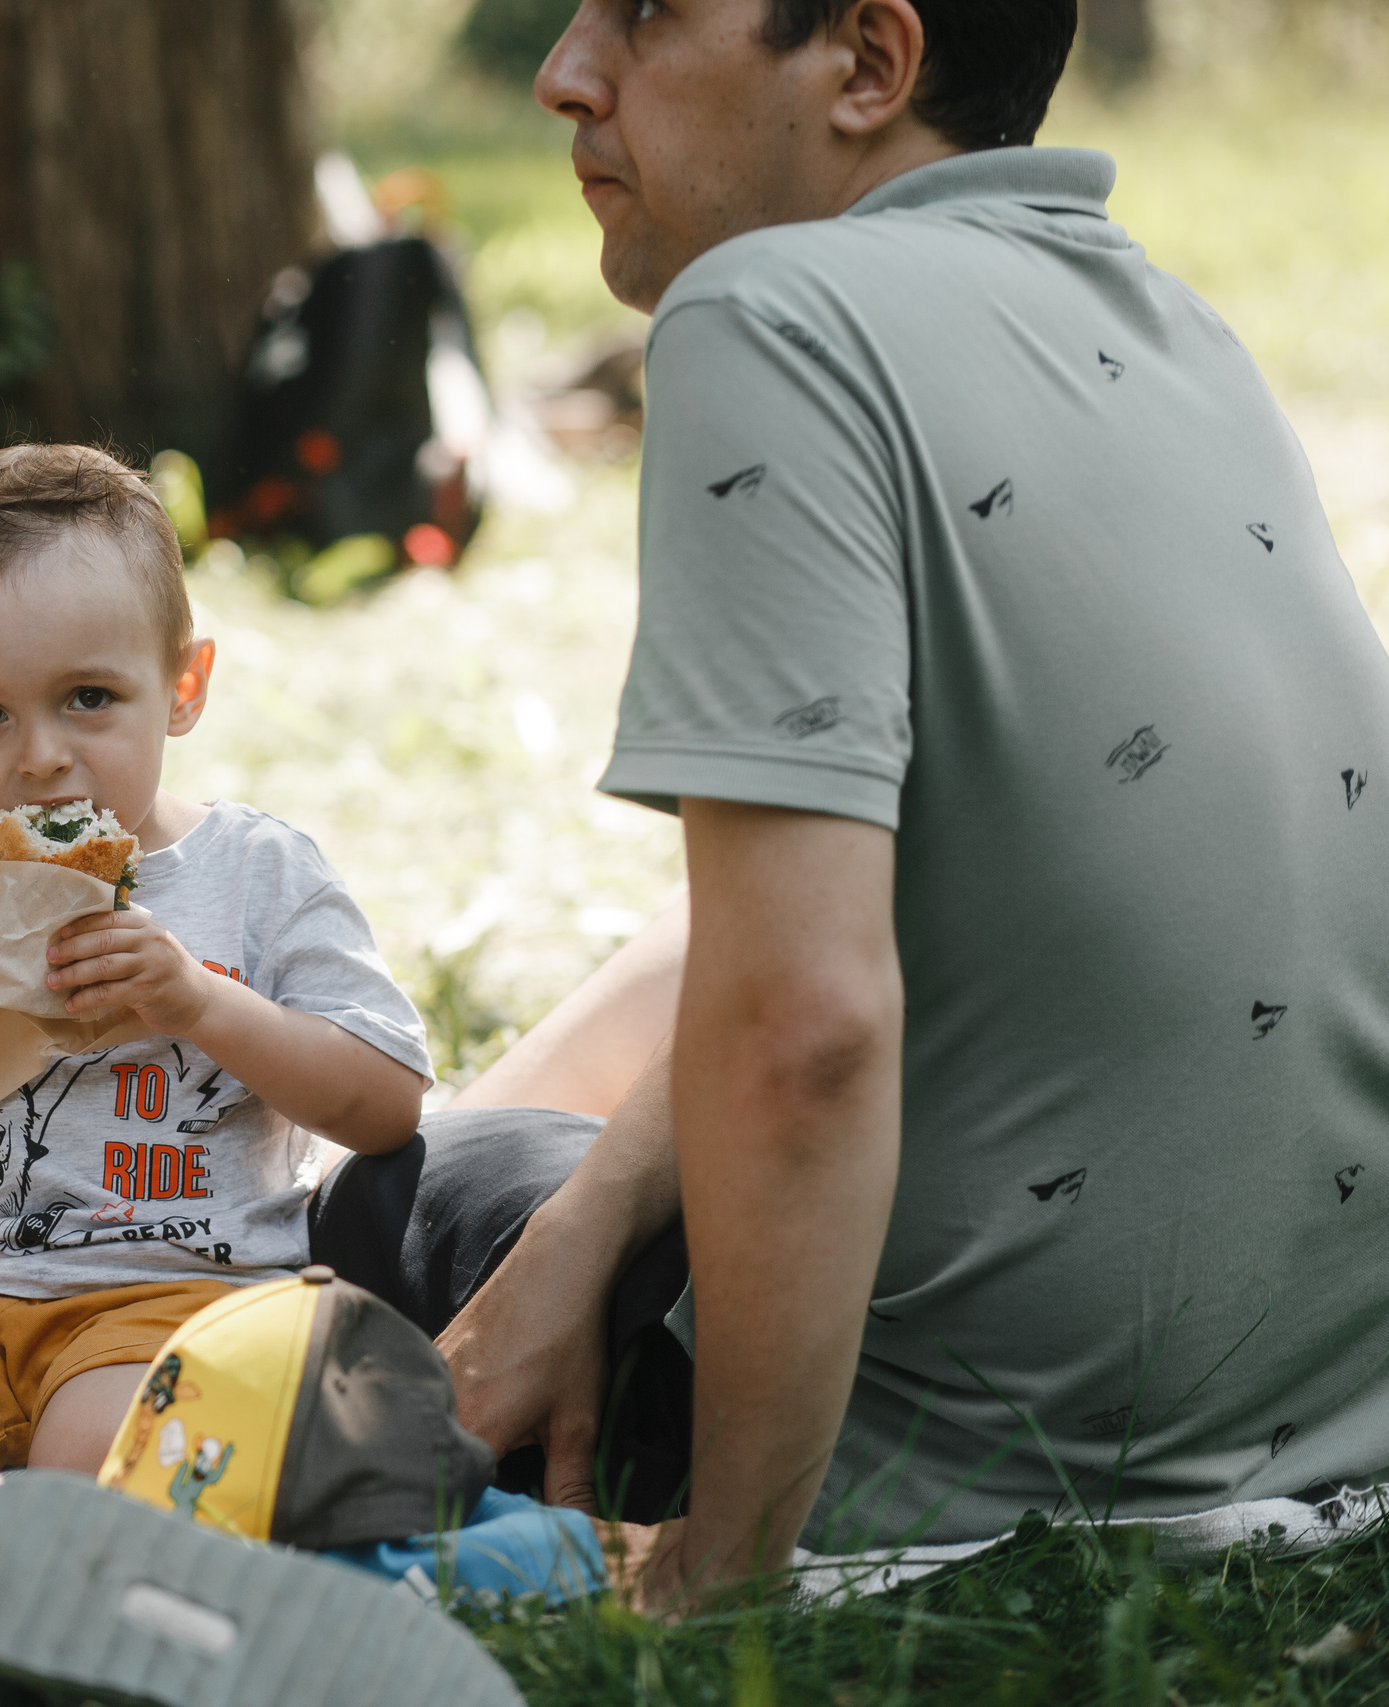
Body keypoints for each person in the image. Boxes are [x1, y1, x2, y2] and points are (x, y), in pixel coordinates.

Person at [324, 0, 1389, 1610]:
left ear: (870, 68)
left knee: (392, 1199)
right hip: (1313, 1422)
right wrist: (595, 1212)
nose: (565, 69)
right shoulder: (1179, 326)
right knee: (616, 1053)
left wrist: (725, 1567)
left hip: (972, 1471)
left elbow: (805, 1028)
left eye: (647, 13)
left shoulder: (766, 313)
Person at [0, 445, 437, 1472]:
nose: (40, 754)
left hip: (178, 1301)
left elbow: (385, 1105)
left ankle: (20, 1534)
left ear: (183, 687)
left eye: (88, 697)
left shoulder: (254, 872)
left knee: (99, 1450)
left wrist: (198, 1004)